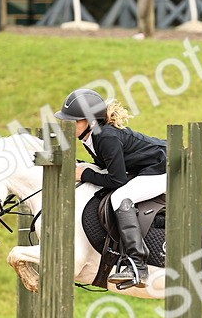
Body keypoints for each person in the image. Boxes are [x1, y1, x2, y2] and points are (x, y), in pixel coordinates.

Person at [55, 88, 167, 290]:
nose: (68, 126)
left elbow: (117, 180)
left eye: (74, 121)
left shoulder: (105, 137)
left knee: (121, 197)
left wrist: (84, 174)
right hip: (145, 168)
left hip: (163, 168)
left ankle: (137, 265)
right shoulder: (91, 136)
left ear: (90, 122)